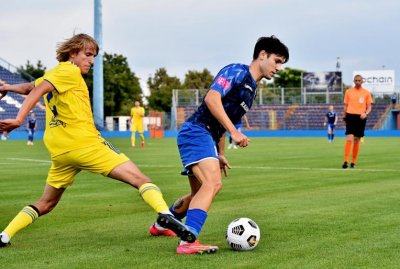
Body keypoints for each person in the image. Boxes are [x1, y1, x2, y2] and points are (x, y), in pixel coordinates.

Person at [0, 33, 195, 248]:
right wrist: (19, 118)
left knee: (46, 203)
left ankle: (5, 235)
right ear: (72, 53)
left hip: (60, 152)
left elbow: (29, 87)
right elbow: (37, 90)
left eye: (93, 56)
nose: (91, 61)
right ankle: (165, 216)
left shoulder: (55, 73)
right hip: (84, 143)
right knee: (141, 180)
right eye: (88, 54)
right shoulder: (69, 71)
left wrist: (7, 88)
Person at [149, 35, 289, 254]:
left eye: (282, 63)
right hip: (196, 131)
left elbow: (224, 121)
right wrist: (235, 132)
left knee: (199, 194)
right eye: (277, 61)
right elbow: (212, 99)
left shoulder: (251, 91)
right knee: (213, 184)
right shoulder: (237, 71)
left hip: (205, 136)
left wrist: (221, 152)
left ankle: (161, 224)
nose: (279, 67)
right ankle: (188, 241)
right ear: (262, 55)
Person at [342, 74, 372, 169]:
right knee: (350, 138)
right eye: (356, 80)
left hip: (361, 117)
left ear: (362, 81)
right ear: (354, 81)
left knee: (356, 140)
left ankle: (353, 162)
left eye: (359, 80)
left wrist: (366, 113)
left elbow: (369, 106)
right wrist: (344, 117)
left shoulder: (366, 93)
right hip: (350, 116)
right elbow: (346, 106)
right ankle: (346, 161)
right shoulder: (348, 92)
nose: (358, 82)